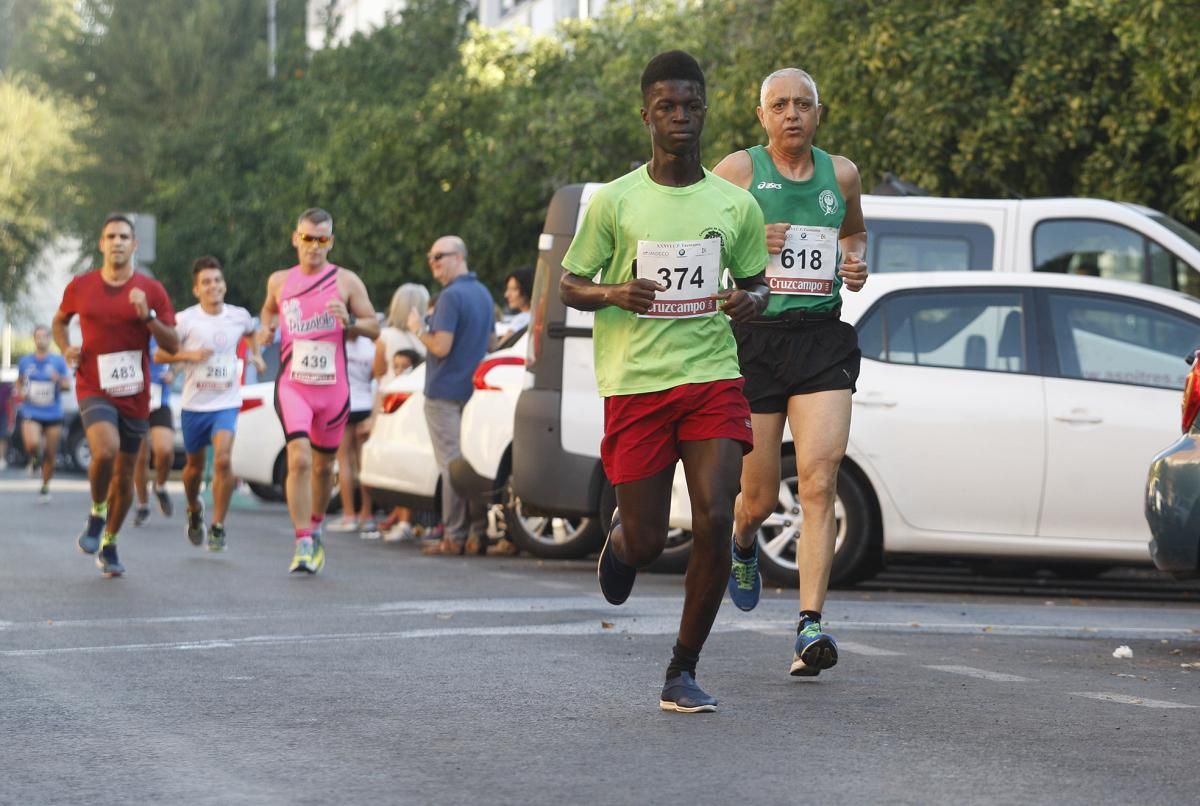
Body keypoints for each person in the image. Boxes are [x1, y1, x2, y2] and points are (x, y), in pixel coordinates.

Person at [560, 50, 769, 713]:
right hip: (637, 384)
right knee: (649, 540)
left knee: (713, 517)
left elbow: (759, 282)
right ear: (646, 114)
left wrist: (751, 301)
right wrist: (616, 291)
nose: (680, 117)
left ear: (705, 111)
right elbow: (569, 282)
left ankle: (682, 668)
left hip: (711, 376)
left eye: (691, 106)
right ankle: (622, 545)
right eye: (666, 107)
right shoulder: (615, 202)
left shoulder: (734, 206)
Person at [712, 67, 868, 676]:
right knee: (753, 498)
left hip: (821, 339)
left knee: (818, 482)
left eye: (803, 104)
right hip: (756, 339)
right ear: (762, 116)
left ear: (819, 113)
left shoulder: (843, 174)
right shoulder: (738, 171)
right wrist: (752, 237)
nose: (792, 115)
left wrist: (854, 265)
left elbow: (852, 236)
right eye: (780, 105)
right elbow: (701, 241)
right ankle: (744, 541)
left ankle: (810, 626)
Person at [52, 214, 179, 577]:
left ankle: (109, 542)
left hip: (135, 394)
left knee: (124, 476)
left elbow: (173, 342)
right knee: (104, 449)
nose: (118, 242)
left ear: (134, 244)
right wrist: (66, 347)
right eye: (111, 236)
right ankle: (96, 511)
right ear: (101, 243)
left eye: (125, 236)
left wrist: (149, 316)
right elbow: (59, 321)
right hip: (93, 384)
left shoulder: (151, 290)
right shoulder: (82, 285)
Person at [257, 208, 379, 574]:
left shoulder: (346, 281)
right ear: (296, 238)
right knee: (299, 459)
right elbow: (267, 313)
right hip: (294, 385)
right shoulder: (279, 281)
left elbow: (374, 327)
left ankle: (316, 524)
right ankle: (303, 540)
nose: (314, 246)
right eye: (308, 238)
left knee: (324, 468)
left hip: (333, 389)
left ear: (331, 242)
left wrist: (351, 322)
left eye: (322, 239)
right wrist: (266, 330)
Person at [155, 256, 264, 551]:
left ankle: (217, 526)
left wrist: (255, 354)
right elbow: (160, 355)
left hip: (226, 402)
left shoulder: (239, 316)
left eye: (217, 280)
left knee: (224, 460)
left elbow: (252, 332)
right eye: (206, 282)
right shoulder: (185, 320)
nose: (213, 286)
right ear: (196, 289)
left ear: (224, 284)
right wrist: (188, 356)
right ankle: (194, 508)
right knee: (193, 467)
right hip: (194, 405)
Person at [406, 235, 494, 556]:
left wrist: (418, 328)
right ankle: (477, 533)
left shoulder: (451, 297)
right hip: (473, 391)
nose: (433, 265)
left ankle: (453, 536)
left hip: (444, 392)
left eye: (438, 257)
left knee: (451, 466)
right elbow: (492, 345)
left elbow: (440, 346)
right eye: (431, 258)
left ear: (458, 256)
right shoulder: (484, 294)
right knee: (469, 464)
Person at [329, 332, 378, 533]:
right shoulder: (370, 344)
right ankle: (367, 514)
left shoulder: (336, 343)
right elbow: (375, 374)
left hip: (344, 404)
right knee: (363, 464)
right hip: (365, 403)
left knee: (344, 462)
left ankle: (349, 514)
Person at [17, 324, 71, 501]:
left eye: (44, 336)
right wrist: (21, 392)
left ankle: (45, 486)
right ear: (34, 339)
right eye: (38, 336)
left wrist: (58, 380)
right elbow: (19, 382)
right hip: (32, 409)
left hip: (53, 412)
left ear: (49, 339)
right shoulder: (25, 361)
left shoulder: (58, 361)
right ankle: (33, 459)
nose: (41, 339)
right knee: (33, 444)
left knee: (50, 453)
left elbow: (67, 386)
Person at [132, 338, 175, 525]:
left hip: (159, 402)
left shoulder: (164, 334)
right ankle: (143, 505)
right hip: (136, 402)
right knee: (141, 458)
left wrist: (173, 371)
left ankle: (160, 486)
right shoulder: (128, 332)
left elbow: (181, 354)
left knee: (164, 450)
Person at [499, 266, 534, 340]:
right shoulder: (539, 317)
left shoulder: (521, 320)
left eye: (513, 289)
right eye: (507, 289)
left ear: (526, 289)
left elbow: (499, 349)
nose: (507, 295)